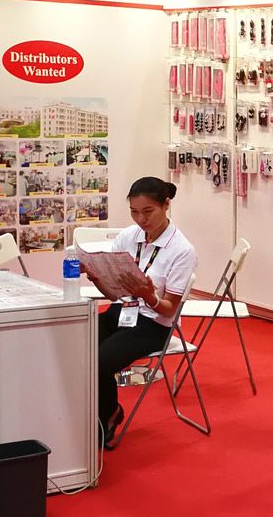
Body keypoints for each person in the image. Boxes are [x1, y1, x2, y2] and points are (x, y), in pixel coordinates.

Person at [81, 177, 197, 445]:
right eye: (134, 212)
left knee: (98, 362)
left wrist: (148, 295)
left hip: (152, 325)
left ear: (166, 205)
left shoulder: (182, 250)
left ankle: (108, 415)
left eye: (148, 211)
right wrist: (97, 277)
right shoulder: (129, 236)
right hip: (122, 311)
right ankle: (93, 413)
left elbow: (168, 310)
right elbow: (115, 295)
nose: (141, 220)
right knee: (76, 348)